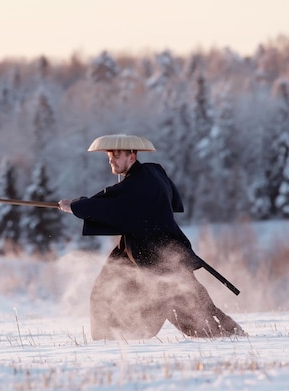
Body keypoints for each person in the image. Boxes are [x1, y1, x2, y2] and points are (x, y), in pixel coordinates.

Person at [58, 134, 246, 340]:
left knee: (192, 309)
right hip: (136, 249)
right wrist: (82, 205)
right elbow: (117, 198)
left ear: (132, 157)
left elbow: (114, 203)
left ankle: (232, 335)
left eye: (117, 155)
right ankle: (111, 340)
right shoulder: (151, 174)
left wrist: (76, 206)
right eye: (109, 155)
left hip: (158, 254)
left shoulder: (142, 182)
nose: (111, 159)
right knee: (106, 290)